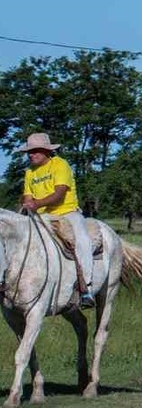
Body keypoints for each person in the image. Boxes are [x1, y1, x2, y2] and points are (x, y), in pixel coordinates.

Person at [19, 132, 96, 308]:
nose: (31, 154)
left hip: (66, 212)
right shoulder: (29, 172)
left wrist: (36, 203)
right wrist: (27, 204)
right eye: (29, 152)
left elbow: (60, 193)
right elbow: (27, 196)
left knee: (83, 241)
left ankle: (86, 288)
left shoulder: (60, 164)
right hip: (41, 216)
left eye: (35, 151)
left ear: (47, 151)